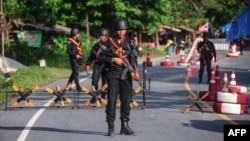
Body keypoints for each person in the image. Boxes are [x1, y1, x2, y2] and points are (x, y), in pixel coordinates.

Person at [98, 18, 139, 136]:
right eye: (119, 30)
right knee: (111, 101)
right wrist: (113, 59)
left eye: (123, 29)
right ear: (115, 30)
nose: (121, 32)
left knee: (126, 101)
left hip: (127, 75)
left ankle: (124, 126)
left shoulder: (130, 43)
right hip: (113, 75)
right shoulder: (109, 42)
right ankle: (111, 127)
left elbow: (133, 59)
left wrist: (135, 71)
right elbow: (100, 57)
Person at [85, 28, 109, 99]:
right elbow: (91, 55)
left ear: (106, 36)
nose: (101, 37)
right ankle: (94, 96)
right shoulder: (96, 45)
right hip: (97, 64)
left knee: (105, 82)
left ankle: (103, 97)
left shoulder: (110, 45)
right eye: (100, 36)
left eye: (103, 36)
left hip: (106, 65)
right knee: (94, 80)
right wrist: (88, 64)